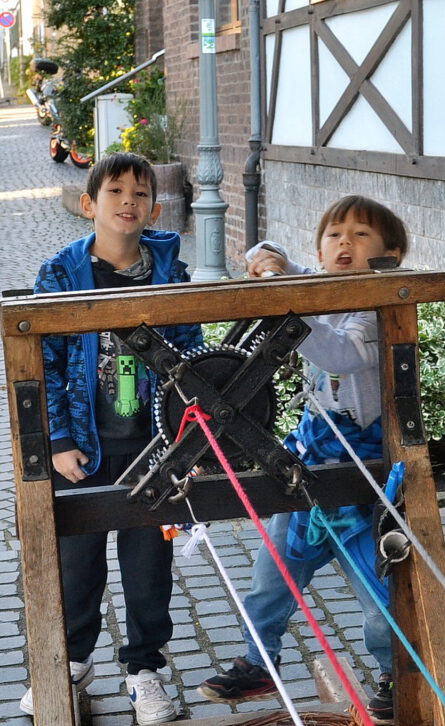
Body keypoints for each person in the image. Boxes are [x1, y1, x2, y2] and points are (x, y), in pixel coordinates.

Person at [197, 195, 409, 724]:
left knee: (380, 596)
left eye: (361, 236)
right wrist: (272, 262)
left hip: (362, 479)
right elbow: (268, 250)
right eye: (335, 234)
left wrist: (289, 299)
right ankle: (258, 663)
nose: (345, 244)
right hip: (309, 465)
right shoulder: (318, 286)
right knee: (270, 581)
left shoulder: (376, 309)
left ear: (391, 255)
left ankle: (392, 673)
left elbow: (341, 354)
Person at [23, 152, 203, 724]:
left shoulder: (169, 270)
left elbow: (189, 353)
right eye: (116, 191)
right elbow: (43, 363)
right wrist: (55, 441)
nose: (129, 201)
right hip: (82, 449)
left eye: (141, 193)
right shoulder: (58, 273)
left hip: (150, 447)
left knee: (149, 568)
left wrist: (186, 442)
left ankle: (144, 670)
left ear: (153, 207)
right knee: (77, 569)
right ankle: (73, 662)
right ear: (89, 204)